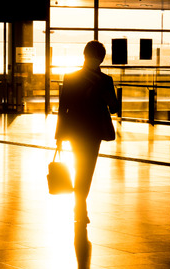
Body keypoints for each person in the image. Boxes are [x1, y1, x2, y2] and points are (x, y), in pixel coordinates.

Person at [55, 40, 119, 224]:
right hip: (90, 131)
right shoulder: (103, 80)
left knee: (84, 169)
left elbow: (63, 109)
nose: (94, 61)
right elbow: (63, 108)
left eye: (96, 58)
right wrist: (59, 136)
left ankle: (80, 204)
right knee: (85, 168)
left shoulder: (74, 77)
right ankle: (80, 206)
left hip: (82, 130)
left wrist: (59, 135)